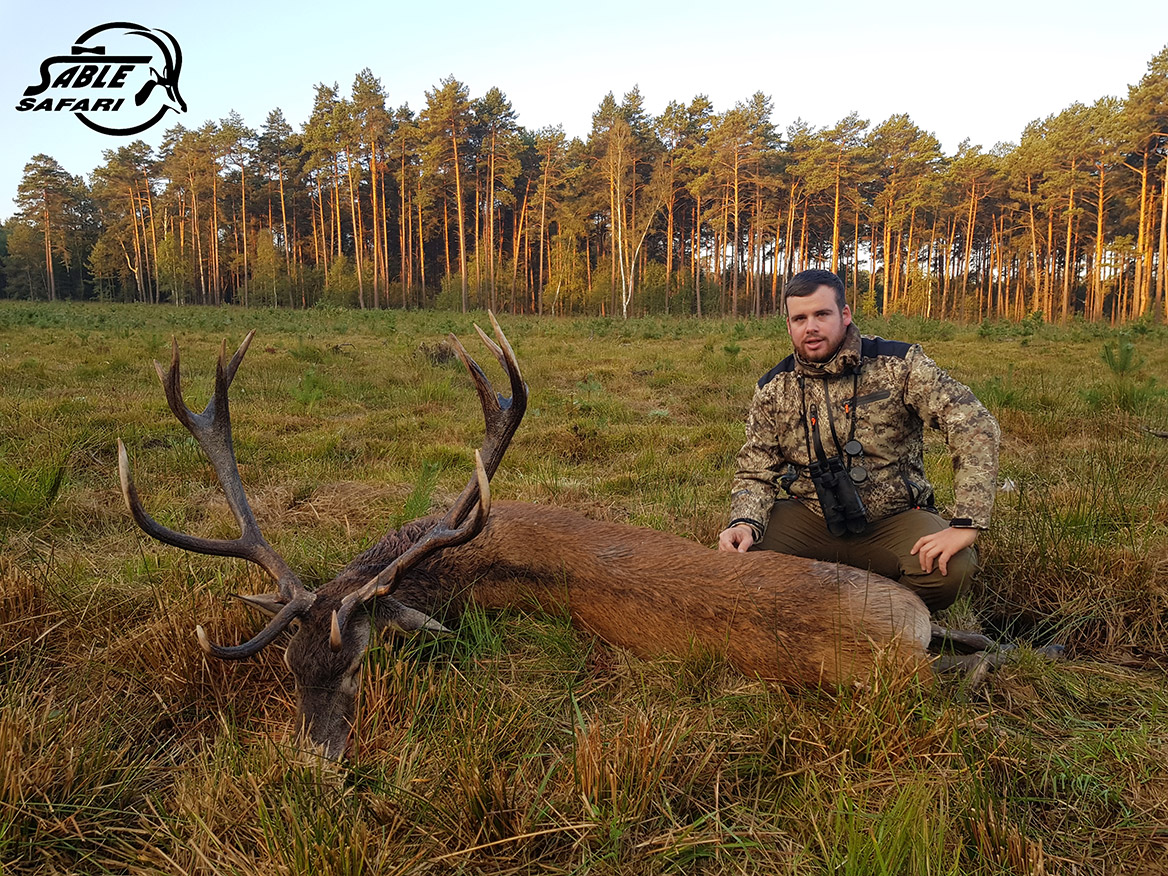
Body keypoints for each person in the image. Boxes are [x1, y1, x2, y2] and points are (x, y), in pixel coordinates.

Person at [717, 269, 1000, 612]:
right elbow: (755, 471)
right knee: (736, 557)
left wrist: (966, 523)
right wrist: (744, 523)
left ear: (845, 315)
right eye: (799, 318)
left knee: (949, 570)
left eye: (822, 314)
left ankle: (883, 615)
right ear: (789, 325)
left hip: (892, 519)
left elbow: (973, 424)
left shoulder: (898, 365)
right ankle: (824, 612)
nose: (811, 327)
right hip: (811, 517)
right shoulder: (774, 389)